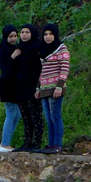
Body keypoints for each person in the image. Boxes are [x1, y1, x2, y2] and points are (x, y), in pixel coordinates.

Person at [34, 23, 70, 154]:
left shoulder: (61, 49)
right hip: (44, 88)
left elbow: (64, 68)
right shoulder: (43, 50)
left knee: (55, 116)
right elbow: (41, 71)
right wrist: (38, 88)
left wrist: (59, 86)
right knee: (48, 117)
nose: (48, 37)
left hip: (55, 87)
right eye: (45, 34)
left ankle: (57, 144)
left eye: (51, 34)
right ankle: (50, 144)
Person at [0, 26, 22, 152]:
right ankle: (4, 143)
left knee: (17, 115)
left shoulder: (15, 49)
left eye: (14, 36)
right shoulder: (4, 50)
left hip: (15, 85)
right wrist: (12, 57)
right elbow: (6, 69)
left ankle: (6, 142)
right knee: (11, 113)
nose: (13, 39)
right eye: (10, 36)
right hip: (7, 84)